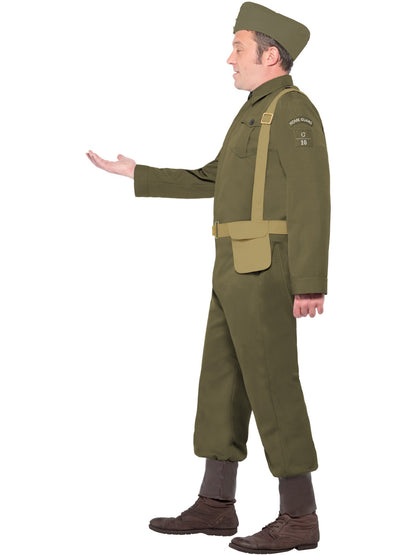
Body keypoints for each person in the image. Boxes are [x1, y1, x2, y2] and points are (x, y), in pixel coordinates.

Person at [86, 2, 330, 552]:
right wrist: (138, 173)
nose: (229, 58)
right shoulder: (252, 112)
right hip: (232, 265)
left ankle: (300, 516)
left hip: (266, 268)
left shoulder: (292, 110)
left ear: (271, 55)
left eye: (239, 48)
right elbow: (211, 177)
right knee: (222, 382)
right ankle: (216, 504)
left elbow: (312, 197)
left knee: (273, 385)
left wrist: (310, 280)